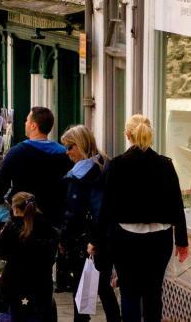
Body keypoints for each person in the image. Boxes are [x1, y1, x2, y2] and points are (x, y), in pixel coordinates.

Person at [95, 115, 187, 322]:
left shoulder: (117, 165)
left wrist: (97, 240)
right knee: (154, 292)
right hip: (160, 239)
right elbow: (176, 203)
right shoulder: (165, 164)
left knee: (129, 292)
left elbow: (106, 207)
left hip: (125, 239)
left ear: (128, 135)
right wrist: (182, 240)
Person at [58, 125, 120, 322]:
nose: (67, 153)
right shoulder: (104, 166)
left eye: (70, 147)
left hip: (88, 239)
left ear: (81, 145)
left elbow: (79, 211)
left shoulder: (84, 175)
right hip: (104, 237)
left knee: (84, 286)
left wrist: (67, 238)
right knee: (100, 286)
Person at [0, 107, 70, 222]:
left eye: (27, 120)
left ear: (33, 126)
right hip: (55, 219)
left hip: (23, 220)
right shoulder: (65, 154)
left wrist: (8, 206)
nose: (25, 123)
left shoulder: (16, 153)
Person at [0, 191, 60, 321]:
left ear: (15, 209)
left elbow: (0, 250)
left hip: (16, 285)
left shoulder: (12, 226)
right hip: (41, 285)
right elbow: (51, 255)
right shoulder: (47, 227)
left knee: (15, 315)